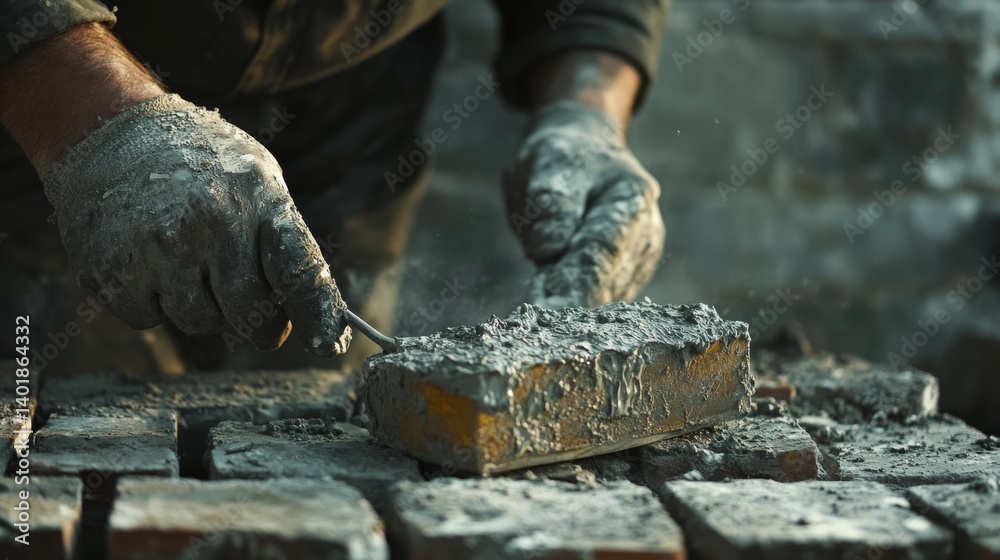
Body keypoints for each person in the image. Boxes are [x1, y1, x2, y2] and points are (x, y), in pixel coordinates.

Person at [0, 1, 667, 373]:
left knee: (318, 448)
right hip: (58, 137)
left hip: (346, 137)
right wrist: (91, 121)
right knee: (63, 447)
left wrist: (587, 109)